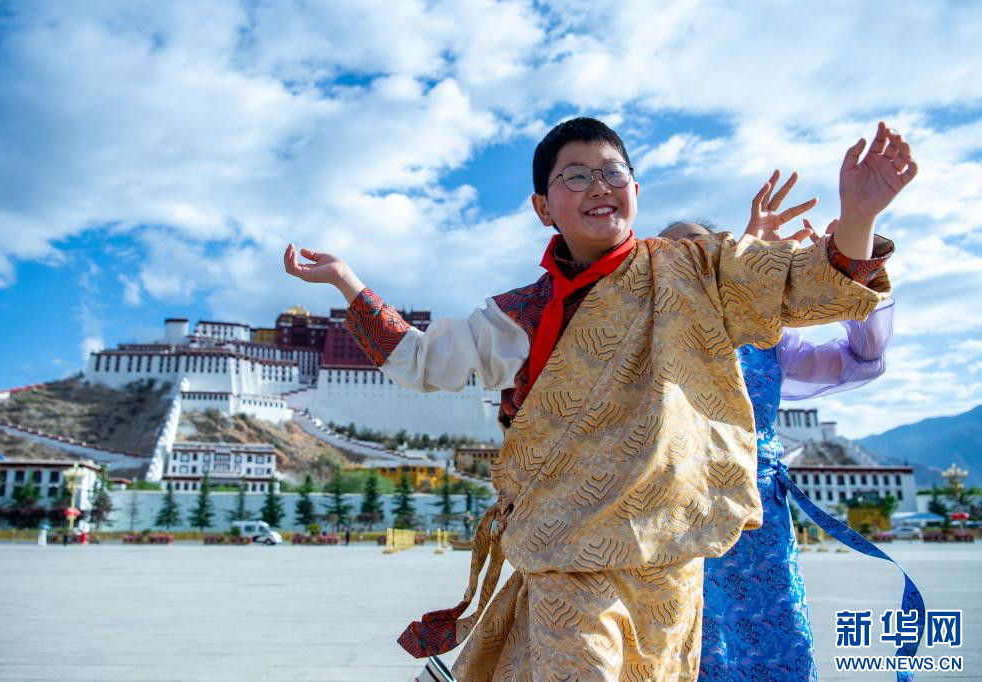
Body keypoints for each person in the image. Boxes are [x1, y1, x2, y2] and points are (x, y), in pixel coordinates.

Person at [284, 118, 915, 680]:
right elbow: (423, 360)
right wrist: (347, 281)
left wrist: (859, 218)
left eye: (613, 172)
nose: (598, 186)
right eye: (576, 175)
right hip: (568, 555)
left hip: (667, 556)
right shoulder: (521, 313)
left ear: (635, 190)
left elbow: (804, 285)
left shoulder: (696, 271)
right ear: (543, 206)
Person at [663, 171, 922, 681]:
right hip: (667, 521)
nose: (686, 261)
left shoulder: (766, 340)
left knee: (769, 653)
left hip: (757, 524)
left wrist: (851, 252)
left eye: (701, 250)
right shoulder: (637, 338)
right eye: (667, 255)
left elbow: (861, 358)